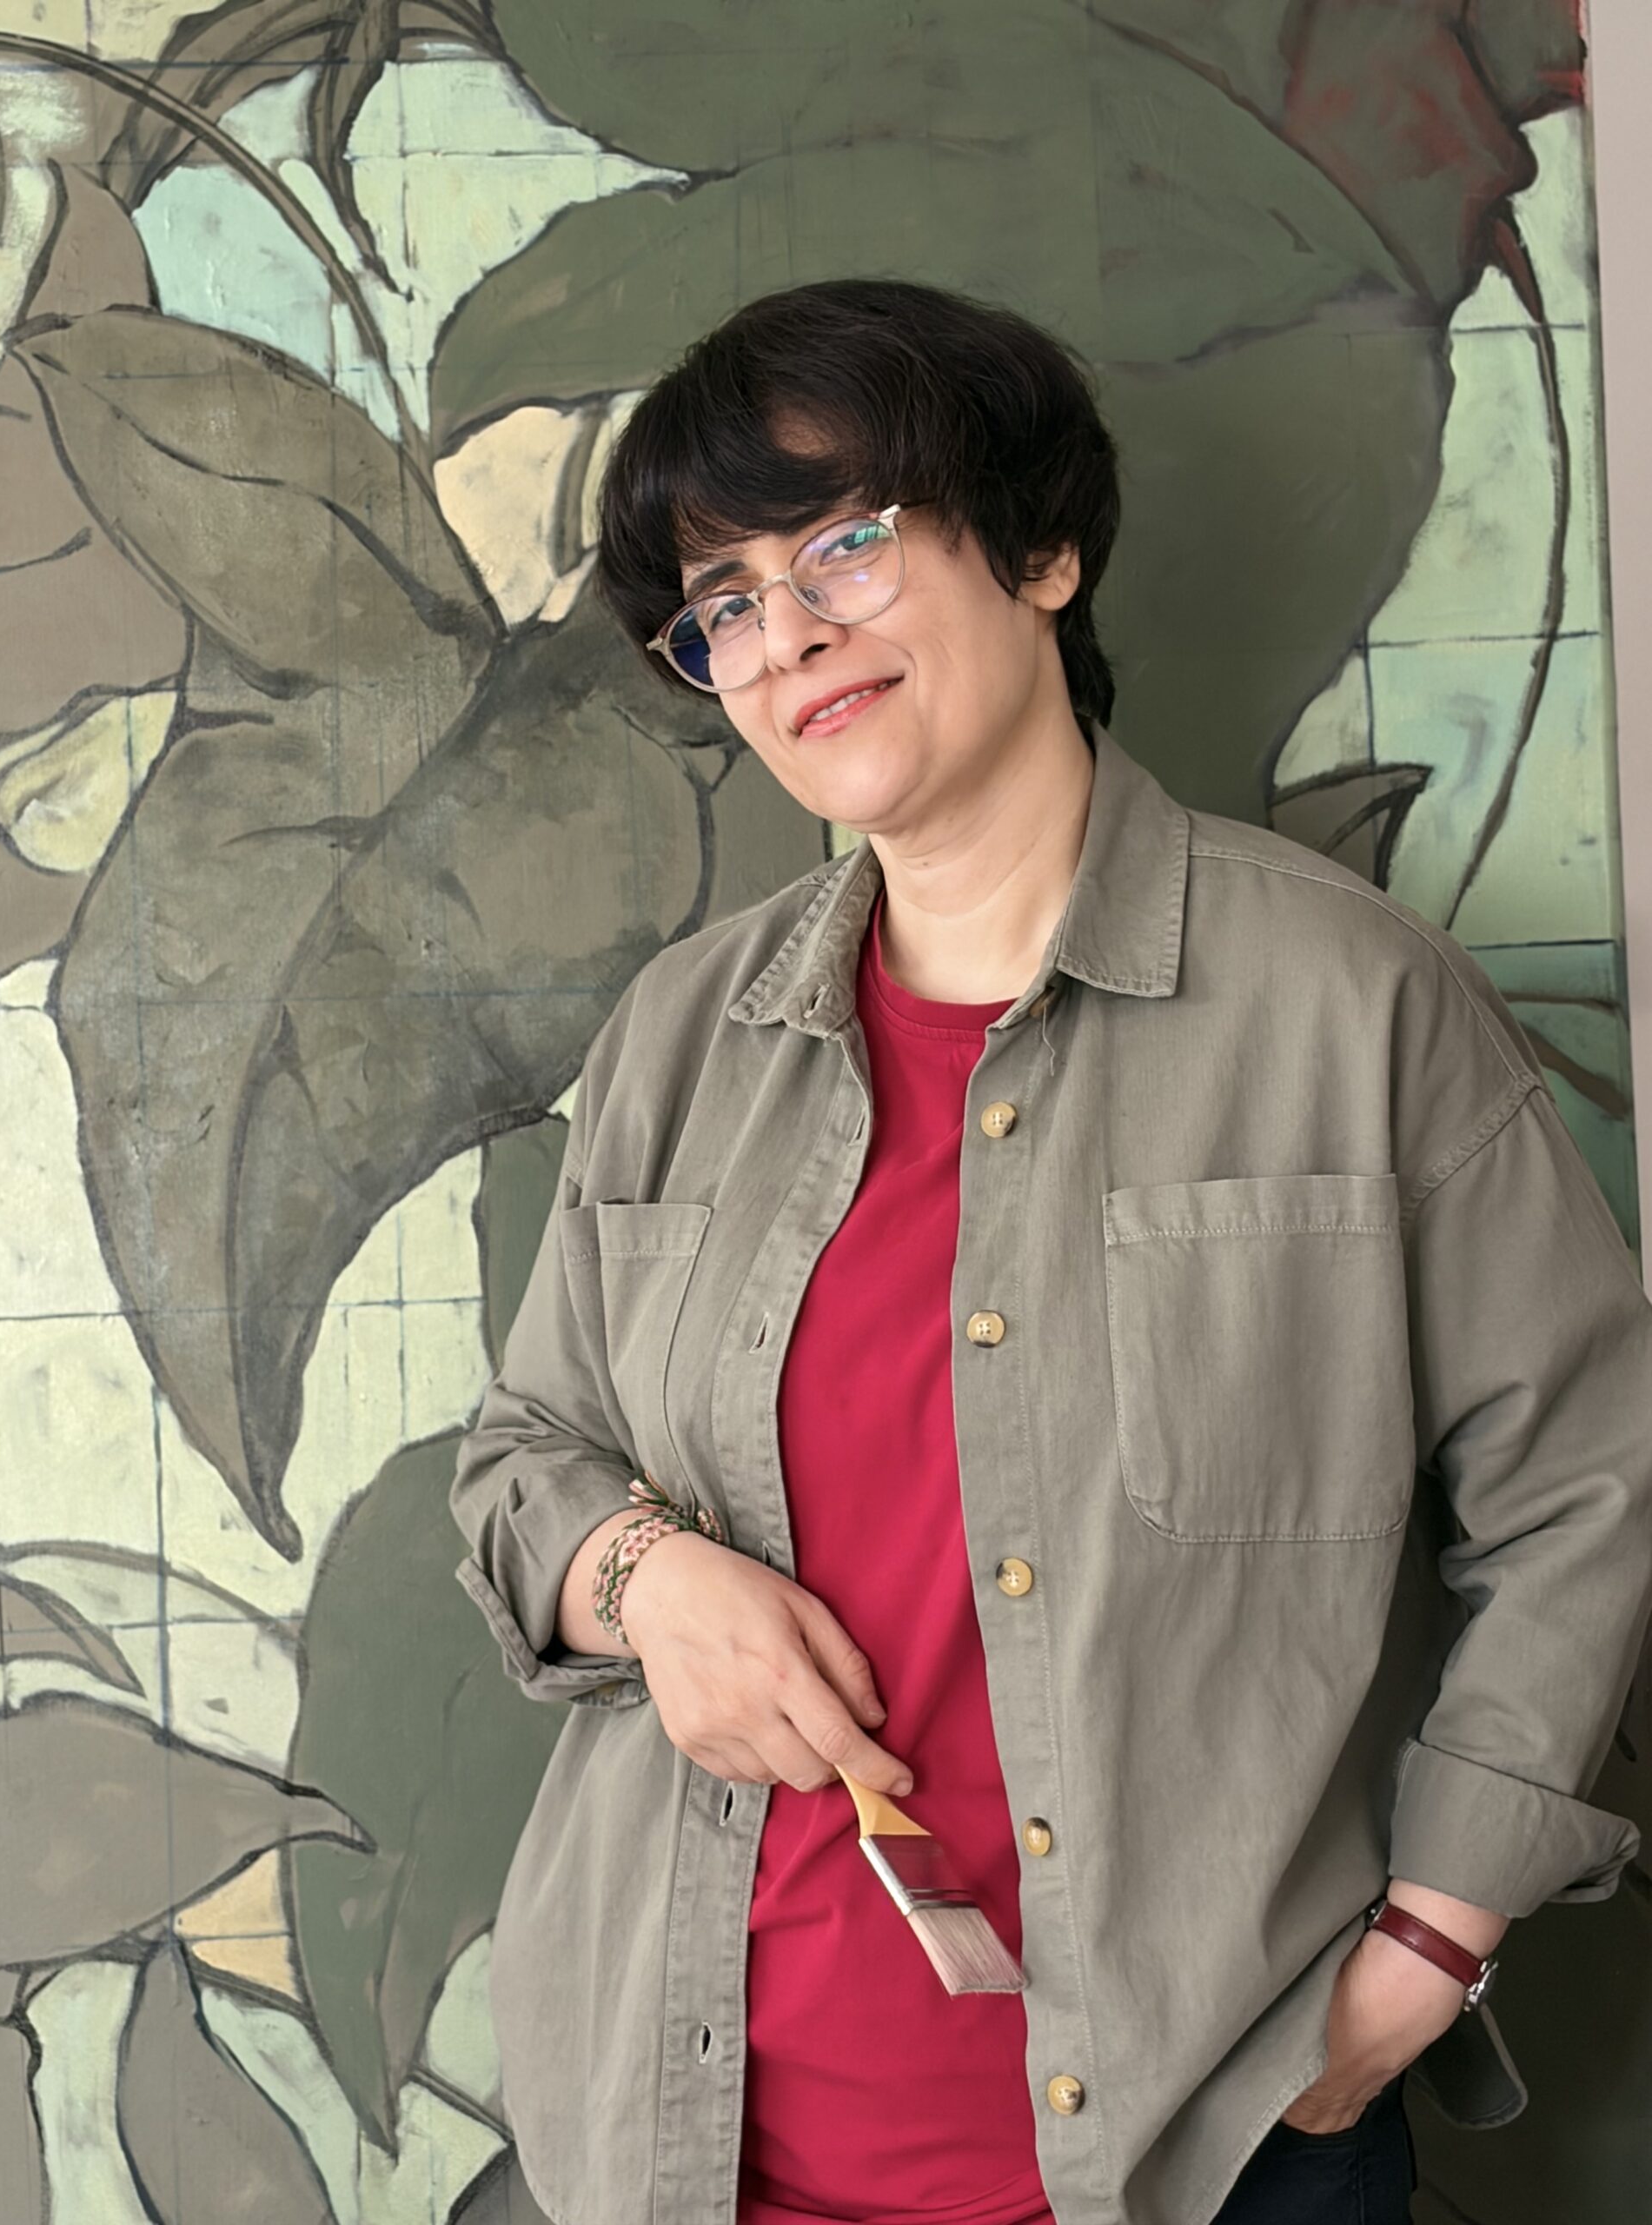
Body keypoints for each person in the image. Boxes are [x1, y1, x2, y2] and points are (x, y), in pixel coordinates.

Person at [448, 276, 1652, 2225]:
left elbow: (1593, 1481)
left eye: (845, 542)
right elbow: (524, 1454)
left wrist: (1433, 1941)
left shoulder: (1353, 1007)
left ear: (1041, 551)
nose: (787, 632)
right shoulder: (679, 1038)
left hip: (1215, 2144)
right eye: (724, 603)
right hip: (684, 2147)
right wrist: (641, 1578)